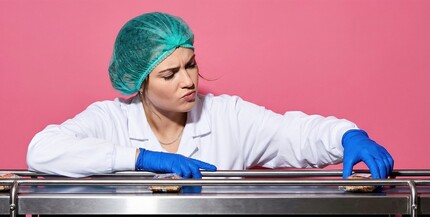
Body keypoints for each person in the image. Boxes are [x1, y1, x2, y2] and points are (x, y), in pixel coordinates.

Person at [26, 11, 394, 180]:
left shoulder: (227, 116)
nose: (189, 81)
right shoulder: (109, 119)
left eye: (191, 64)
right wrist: (140, 158)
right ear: (139, 83)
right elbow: (41, 150)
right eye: (169, 74)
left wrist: (348, 137)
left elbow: (292, 134)